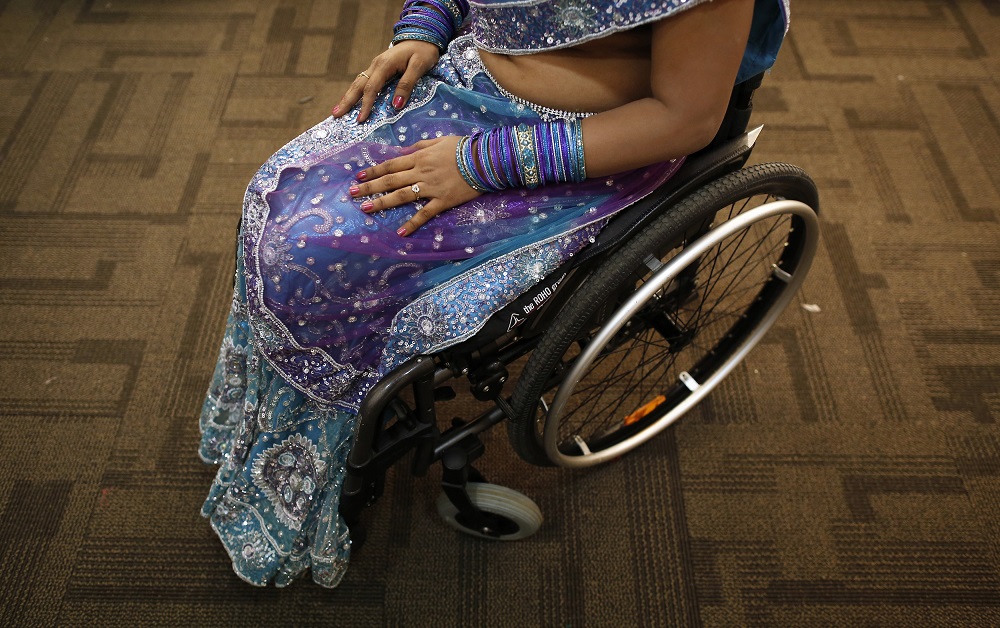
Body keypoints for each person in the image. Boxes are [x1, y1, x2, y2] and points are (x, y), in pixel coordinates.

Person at [199, 0, 790, 587]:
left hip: (578, 148)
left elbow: (685, 119)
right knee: (271, 199)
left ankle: (315, 447)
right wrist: (426, 25)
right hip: (469, 81)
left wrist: (480, 164)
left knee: (311, 261)